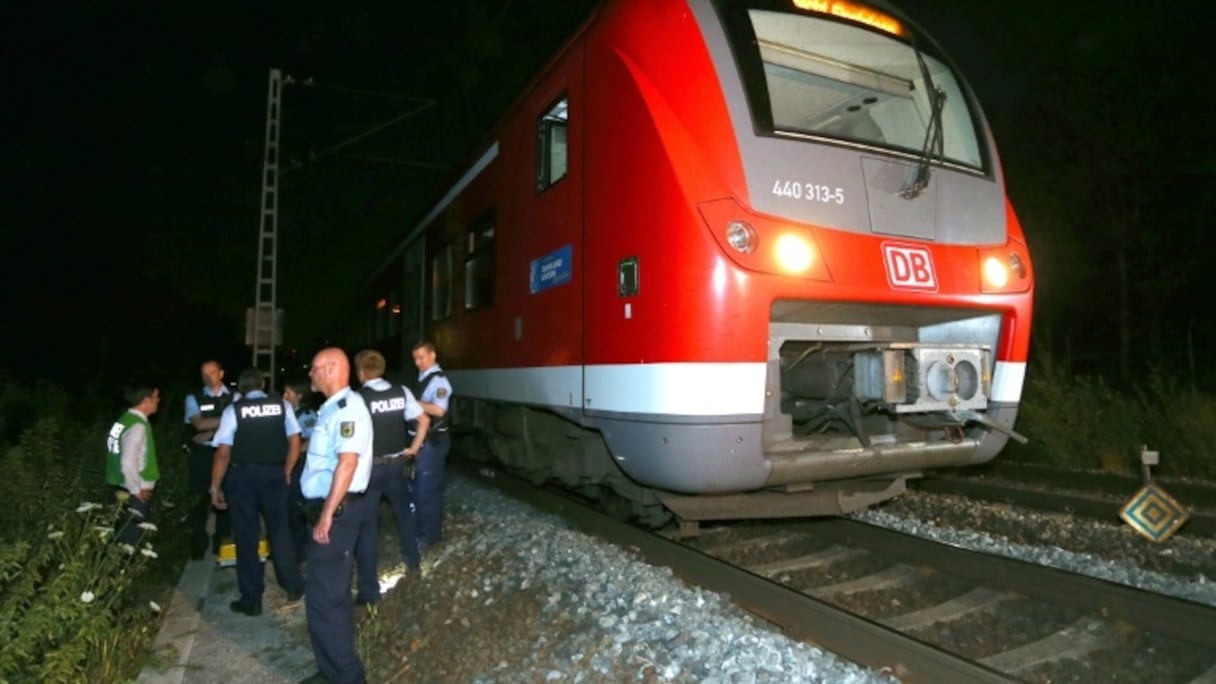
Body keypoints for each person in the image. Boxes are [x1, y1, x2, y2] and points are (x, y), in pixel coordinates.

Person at [298, 347, 373, 684]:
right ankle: (330, 670)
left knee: (328, 598)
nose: (310, 374)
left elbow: (348, 462)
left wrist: (327, 515)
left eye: (314, 369)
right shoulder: (331, 409)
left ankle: (346, 676)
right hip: (329, 512)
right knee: (322, 595)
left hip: (336, 515)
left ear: (330, 369)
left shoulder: (348, 409)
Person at [209, 368, 305, 616]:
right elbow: (296, 441)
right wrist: (287, 470)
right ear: (262, 384)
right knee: (280, 531)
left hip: (243, 478)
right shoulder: (282, 405)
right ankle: (293, 586)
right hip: (274, 474)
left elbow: (223, 453)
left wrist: (215, 486)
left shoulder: (233, 411)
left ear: (241, 388)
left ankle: (251, 599)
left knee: (246, 536)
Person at [352, 349, 429, 606]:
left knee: (367, 528)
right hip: (397, 466)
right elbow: (423, 419)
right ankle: (414, 566)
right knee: (404, 517)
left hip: (369, 469)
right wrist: (415, 448)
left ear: (361, 373)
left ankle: (369, 592)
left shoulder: (357, 399)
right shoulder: (402, 392)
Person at [184, 360, 236, 559]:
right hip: (203, 454)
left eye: (212, 372)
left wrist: (211, 428)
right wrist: (227, 422)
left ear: (221, 373)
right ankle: (198, 546)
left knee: (227, 500)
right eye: (204, 373)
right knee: (199, 501)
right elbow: (198, 424)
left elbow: (240, 423)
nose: (208, 377)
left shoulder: (235, 396)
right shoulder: (193, 397)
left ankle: (220, 544)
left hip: (228, 453)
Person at [106, 379, 161, 544]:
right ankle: (123, 568)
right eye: (156, 396)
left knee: (122, 534)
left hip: (120, 485)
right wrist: (136, 490)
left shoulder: (124, 420)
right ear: (146, 400)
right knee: (130, 540)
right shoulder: (138, 426)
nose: (159, 400)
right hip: (135, 491)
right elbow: (128, 462)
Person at [410, 340, 452, 553]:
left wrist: (412, 404)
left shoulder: (439, 381)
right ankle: (423, 533)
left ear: (433, 355)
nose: (418, 362)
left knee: (427, 491)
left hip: (433, 442)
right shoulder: (424, 378)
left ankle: (430, 536)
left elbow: (439, 410)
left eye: (422, 357)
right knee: (419, 490)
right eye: (415, 358)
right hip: (424, 441)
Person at [282, 375, 319, 574]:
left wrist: (294, 451)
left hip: (302, 467)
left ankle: (303, 554)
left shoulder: (306, 415)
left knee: (298, 509)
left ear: (299, 395)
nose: (284, 395)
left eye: (288, 392)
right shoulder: (290, 413)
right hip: (294, 465)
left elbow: (313, 439)